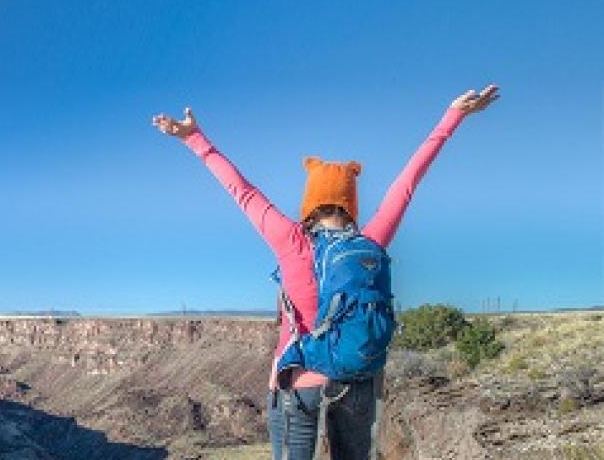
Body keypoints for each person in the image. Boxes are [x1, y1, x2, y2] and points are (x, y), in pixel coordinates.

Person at [151, 85, 500, 459]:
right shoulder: (372, 239)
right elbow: (407, 184)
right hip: (356, 380)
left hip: (299, 381)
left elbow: (243, 191)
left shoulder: (290, 239)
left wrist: (194, 138)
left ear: (309, 203)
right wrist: (453, 116)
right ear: (351, 202)